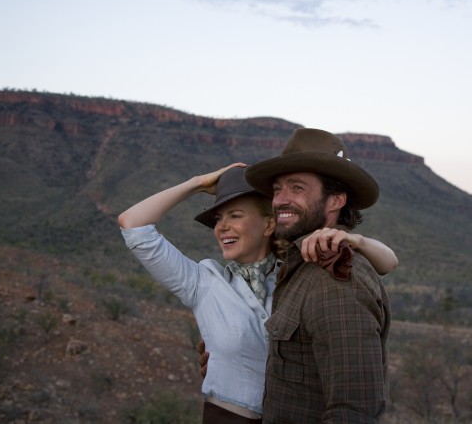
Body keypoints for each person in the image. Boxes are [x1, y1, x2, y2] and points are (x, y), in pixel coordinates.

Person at [117, 163, 397, 424]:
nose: (221, 227)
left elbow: (387, 263)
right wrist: (198, 183)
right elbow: (133, 225)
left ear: (268, 224)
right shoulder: (203, 282)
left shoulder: (295, 276)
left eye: (235, 216)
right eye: (218, 219)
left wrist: (357, 241)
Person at [244, 128, 392, 423]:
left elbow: (353, 412)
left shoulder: (336, 277)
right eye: (277, 189)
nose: (280, 200)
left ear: (335, 200)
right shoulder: (301, 265)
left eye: (296, 188)